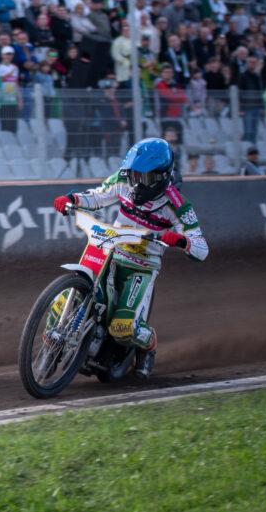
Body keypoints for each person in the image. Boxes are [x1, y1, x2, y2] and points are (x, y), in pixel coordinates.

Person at [52, 137, 209, 379]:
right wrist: (72, 200)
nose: (135, 183)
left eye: (143, 177)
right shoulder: (123, 180)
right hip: (110, 248)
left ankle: (148, 347)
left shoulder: (178, 206)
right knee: (61, 300)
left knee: (122, 327)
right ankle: (52, 344)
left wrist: (181, 241)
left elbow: (201, 248)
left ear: (161, 177)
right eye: (133, 175)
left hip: (142, 265)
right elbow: (97, 196)